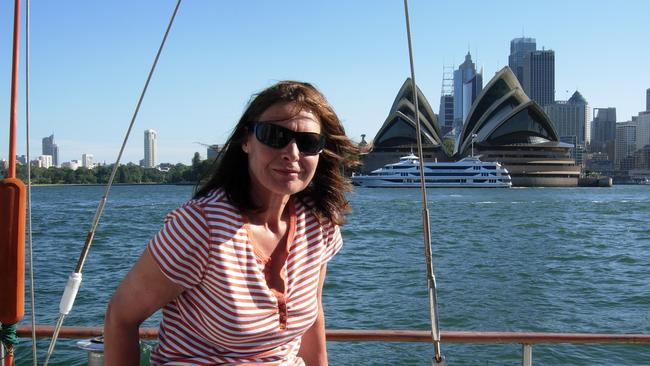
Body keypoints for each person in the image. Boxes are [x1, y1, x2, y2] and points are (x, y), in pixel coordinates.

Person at [104, 81, 359, 365]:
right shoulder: (201, 226)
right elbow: (121, 315)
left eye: (309, 142)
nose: (292, 153)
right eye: (275, 135)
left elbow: (313, 318)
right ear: (247, 141)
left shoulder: (318, 224)